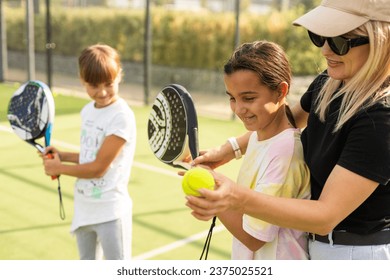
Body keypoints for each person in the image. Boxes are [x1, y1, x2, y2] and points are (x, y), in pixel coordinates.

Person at [186, 0, 390, 260]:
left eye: (341, 41)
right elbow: (285, 119)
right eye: (320, 36)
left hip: (356, 256)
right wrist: (229, 149)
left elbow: (325, 216)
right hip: (317, 249)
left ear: (381, 40)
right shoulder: (330, 83)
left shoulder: (381, 118)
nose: (325, 49)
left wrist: (234, 197)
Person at [207, 40, 311, 260]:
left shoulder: (285, 153)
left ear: (280, 91)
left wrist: (212, 189)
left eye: (249, 98)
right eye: (232, 98)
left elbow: (253, 238)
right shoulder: (257, 136)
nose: (239, 109)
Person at [41, 44, 136, 260]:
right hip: (84, 208)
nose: (102, 92)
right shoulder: (87, 111)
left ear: (119, 76)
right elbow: (91, 155)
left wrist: (59, 168)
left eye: (109, 84)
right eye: (94, 85)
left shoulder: (121, 116)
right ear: (82, 80)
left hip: (111, 212)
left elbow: (98, 168)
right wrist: (63, 155)